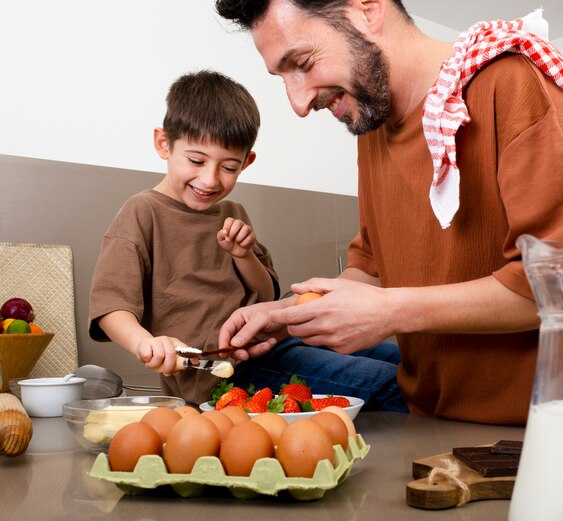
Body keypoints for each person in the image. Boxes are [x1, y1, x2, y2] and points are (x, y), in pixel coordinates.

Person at [215, 0, 563, 424]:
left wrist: (390, 311)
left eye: (302, 62)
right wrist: (284, 315)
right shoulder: (372, 127)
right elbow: (371, 268)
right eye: (282, 77)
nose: (298, 103)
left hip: (536, 433)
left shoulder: (515, 87)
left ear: (367, 10)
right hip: (427, 423)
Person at [88, 69, 407, 411]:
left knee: (403, 359)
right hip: (218, 375)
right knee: (391, 382)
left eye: (228, 167)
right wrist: (146, 344)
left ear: (247, 162)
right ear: (163, 144)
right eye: (196, 160)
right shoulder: (142, 212)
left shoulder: (233, 211)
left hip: (273, 345)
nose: (210, 179)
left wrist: (243, 256)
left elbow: (267, 295)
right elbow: (110, 305)